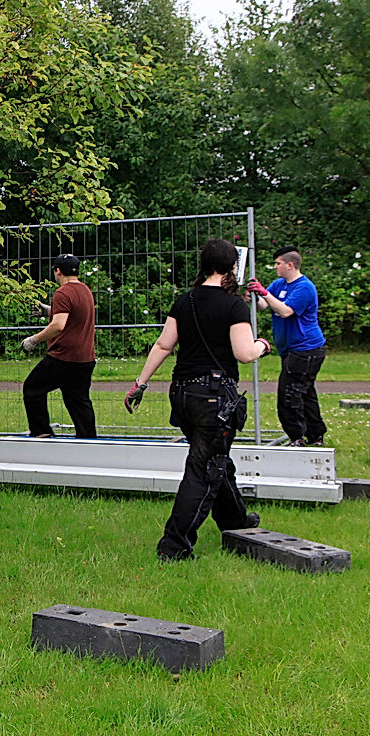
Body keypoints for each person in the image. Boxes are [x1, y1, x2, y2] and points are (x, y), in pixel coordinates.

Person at [124, 239, 272, 561]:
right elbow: (244, 354)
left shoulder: (184, 301)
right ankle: (174, 546)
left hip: (182, 395)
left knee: (217, 462)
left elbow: (164, 346)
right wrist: (263, 344)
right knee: (203, 470)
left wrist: (140, 383)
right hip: (213, 399)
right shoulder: (233, 305)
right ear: (233, 267)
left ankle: (236, 523)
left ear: (204, 265)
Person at [248, 246, 327, 447]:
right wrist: (255, 298)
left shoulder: (304, 287)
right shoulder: (279, 284)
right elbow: (265, 305)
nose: (275, 267)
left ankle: (296, 436)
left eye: (278, 264)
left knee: (289, 393)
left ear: (289, 265)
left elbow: (285, 311)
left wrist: (264, 292)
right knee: (306, 392)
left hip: (306, 349)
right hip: (291, 350)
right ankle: (315, 435)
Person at [20, 253, 97, 438]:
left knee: (32, 388)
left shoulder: (62, 292)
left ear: (58, 271)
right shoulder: (85, 290)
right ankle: (89, 440)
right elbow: (74, 315)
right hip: (85, 358)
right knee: (78, 401)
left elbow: (59, 325)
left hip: (64, 357)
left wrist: (34, 339)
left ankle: (41, 433)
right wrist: (49, 310)